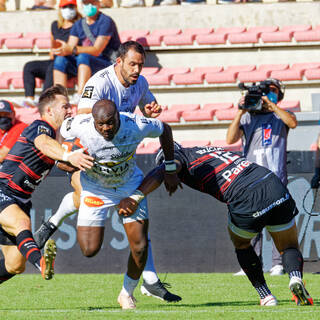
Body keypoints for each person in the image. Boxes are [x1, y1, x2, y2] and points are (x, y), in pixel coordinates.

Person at [34, 41, 182, 303]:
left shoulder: (140, 85)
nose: (137, 69)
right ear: (119, 62)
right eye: (132, 64)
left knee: (139, 242)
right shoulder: (99, 84)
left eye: (140, 64)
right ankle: (52, 223)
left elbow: (153, 112)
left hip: (123, 165)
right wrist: (67, 158)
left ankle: (143, 283)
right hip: (91, 161)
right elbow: (80, 123)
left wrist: (151, 110)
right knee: (88, 245)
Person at [118, 143, 313, 306]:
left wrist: (136, 196)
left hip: (244, 196)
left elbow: (169, 166)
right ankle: (295, 277)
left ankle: (266, 296)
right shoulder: (204, 150)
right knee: (288, 246)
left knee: (242, 245)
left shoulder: (177, 157)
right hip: (271, 182)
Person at [58, 99, 180, 309]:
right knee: (89, 249)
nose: (105, 128)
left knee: (140, 247)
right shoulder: (81, 125)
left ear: (117, 117)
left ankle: (126, 293)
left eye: (110, 123)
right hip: (95, 188)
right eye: (100, 124)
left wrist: (169, 166)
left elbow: (165, 129)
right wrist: (67, 156)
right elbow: (62, 130)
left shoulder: (135, 124)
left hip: (129, 186)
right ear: (93, 122)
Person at [0, 84, 94, 286]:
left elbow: (61, 160)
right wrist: (69, 155)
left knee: (15, 265)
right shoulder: (40, 127)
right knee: (21, 223)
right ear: (49, 110)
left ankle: (36, 262)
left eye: (70, 106)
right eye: (65, 106)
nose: (70, 110)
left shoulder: (57, 140)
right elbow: (43, 143)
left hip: (20, 200)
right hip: (3, 191)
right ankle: (42, 263)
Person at [226, 78, 297, 276]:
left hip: (276, 178)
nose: (267, 94)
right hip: (252, 179)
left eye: (272, 90)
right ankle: (250, 264)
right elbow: (230, 139)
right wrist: (240, 111)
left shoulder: (281, 116)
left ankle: (278, 264)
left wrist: (272, 105)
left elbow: (292, 122)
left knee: (278, 223)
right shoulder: (248, 118)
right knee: (252, 224)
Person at [52, 0, 121, 104]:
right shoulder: (79, 24)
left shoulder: (106, 21)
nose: (89, 6)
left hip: (106, 63)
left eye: (92, 3)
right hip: (85, 63)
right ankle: (59, 97)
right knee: (60, 60)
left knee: (83, 56)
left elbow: (97, 50)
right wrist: (62, 49)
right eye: (86, 3)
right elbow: (70, 46)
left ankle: (81, 95)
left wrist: (72, 49)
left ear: (98, 4)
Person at [20, 0, 82, 108]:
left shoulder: (80, 25)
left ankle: (43, 100)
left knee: (53, 66)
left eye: (71, 6)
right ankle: (29, 99)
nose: (68, 9)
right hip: (57, 60)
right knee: (29, 66)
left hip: (71, 63)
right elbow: (53, 44)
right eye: (65, 6)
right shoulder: (55, 25)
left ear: (76, 8)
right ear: (60, 9)